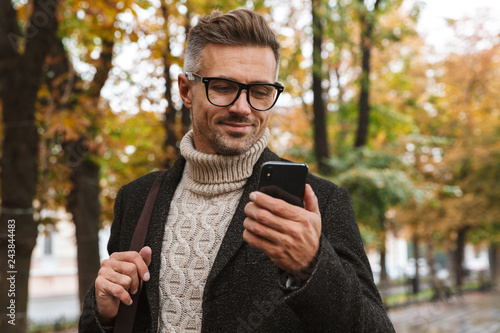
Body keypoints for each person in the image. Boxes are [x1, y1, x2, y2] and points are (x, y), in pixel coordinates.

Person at [79, 8, 395, 333]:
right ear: (187, 91)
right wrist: (102, 313)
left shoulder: (319, 203)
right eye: (223, 87)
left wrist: (314, 266)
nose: (242, 108)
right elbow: (99, 324)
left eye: (260, 92)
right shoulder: (136, 199)